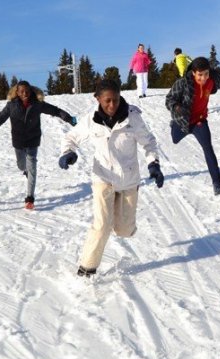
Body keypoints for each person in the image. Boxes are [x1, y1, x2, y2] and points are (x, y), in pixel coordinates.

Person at [58, 79, 163, 277]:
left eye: (115, 100)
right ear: (97, 99)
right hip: (103, 177)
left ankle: (122, 223)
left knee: (123, 230)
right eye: (107, 101)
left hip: (128, 179)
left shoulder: (133, 118)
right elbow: (70, 138)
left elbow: (149, 142)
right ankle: (87, 268)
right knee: (102, 224)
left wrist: (153, 163)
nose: (112, 105)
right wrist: (67, 152)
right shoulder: (91, 119)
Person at [0, 80, 76, 210]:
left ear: (31, 90)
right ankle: (25, 170)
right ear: (17, 92)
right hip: (18, 141)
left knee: (32, 165)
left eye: (27, 91)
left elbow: (55, 110)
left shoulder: (37, 104)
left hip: (33, 139)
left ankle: (30, 198)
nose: (25, 93)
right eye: (21, 91)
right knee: (21, 165)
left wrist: (69, 118)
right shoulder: (11, 106)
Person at [165, 57, 220, 195]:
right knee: (175, 139)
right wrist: (178, 107)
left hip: (200, 121)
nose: (203, 78)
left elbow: (219, 83)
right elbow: (169, 100)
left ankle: (217, 184)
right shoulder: (182, 84)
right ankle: (173, 125)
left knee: (208, 148)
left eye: (206, 74)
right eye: (200, 75)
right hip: (183, 121)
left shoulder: (211, 81)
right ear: (193, 73)